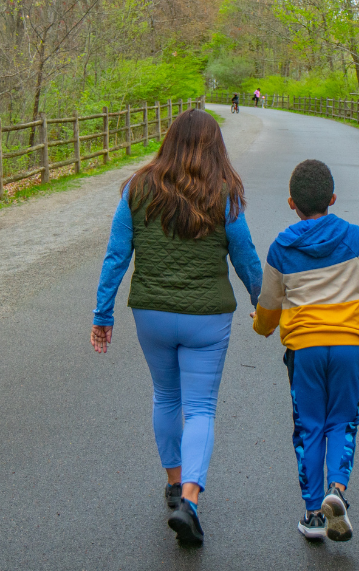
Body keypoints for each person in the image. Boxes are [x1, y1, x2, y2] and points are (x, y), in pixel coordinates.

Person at [91, 109, 263, 546]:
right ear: (214, 147)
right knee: (201, 407)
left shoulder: (137, 187)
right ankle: (190, 498)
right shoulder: (224, 193)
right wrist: (264, 303)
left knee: (166, 395)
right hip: (208, 317)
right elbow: (244, 256)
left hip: (151, 311)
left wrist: (102, 315)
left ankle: (173, 482)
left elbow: (116, 256)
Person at [253, 159, 359, 542]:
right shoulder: (354, 237)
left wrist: (260, 327)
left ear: (291, 203)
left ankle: (314, 514)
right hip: (347, 348)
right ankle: (338, 491)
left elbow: (268, 307)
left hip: (305, 351)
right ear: (332, 198)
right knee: (342, 421)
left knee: (308, 428)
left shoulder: (281, 247)